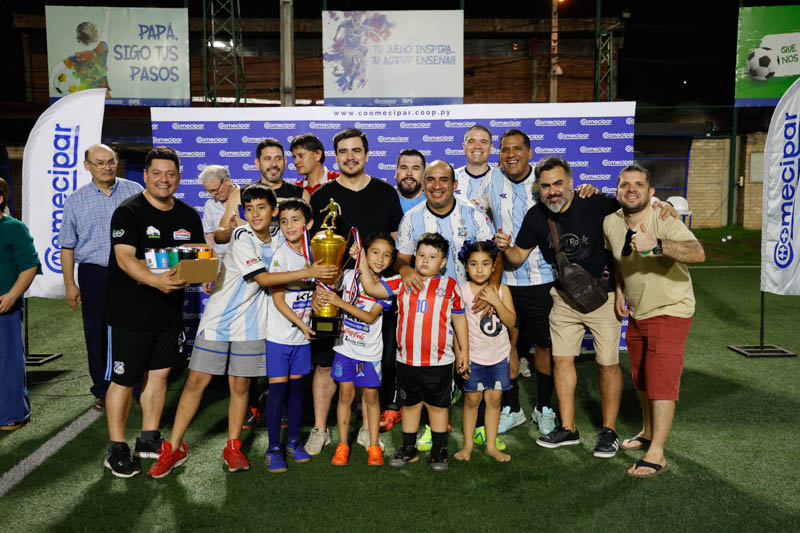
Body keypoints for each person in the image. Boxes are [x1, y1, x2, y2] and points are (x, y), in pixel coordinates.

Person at [146, 185, 337, 478]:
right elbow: (262, 278)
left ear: (274, 211)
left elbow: (294, 213)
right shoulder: (242, 235)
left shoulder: (281, 234)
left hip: (255, 324)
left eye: (262, 208)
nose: (255, 214)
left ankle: (233, 446)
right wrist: (308, 273)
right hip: (221, 319)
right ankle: (174, 447)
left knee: (240, 387)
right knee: (197, 381)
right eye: (249, 209)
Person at [496, 155, 625, 459]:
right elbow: (518, 257)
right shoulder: (536, 216)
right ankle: (568, 428)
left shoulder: (596, 203)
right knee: (562, 361)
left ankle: (609, 432)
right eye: (545, 186)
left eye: (558, 183)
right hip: (564, 301)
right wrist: (505, 248)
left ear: (570, 182)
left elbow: (633, 213)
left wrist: (621, 291)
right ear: (538, 189)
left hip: (603, 298)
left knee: (607, 363)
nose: (552, 191)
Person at [103, 146, 204, 478]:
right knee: (123, 379)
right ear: (145, 176)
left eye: (171, 173)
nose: (164, 179)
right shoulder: (128, 212)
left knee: (160, 374)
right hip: (131, 312)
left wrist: (206, 277)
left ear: (179, 177)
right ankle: (116, 447)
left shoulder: (189, 215)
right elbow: (124, 259)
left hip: (169, 313)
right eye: (157, 173)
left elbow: (199, 258)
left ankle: (148, 438)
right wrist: (155, 282)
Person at [305, 128, 404, 455]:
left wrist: (400, 274)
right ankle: (320, 428)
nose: (350, 156)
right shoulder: (321, 197)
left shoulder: (386, 193)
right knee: (323, 361)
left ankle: (366, 425)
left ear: (366, 153)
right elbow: (314, 250)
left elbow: (396, 244)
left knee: (368, 360)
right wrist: (321, 286)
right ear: (335, 156)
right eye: (344, 151)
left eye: (356, 150)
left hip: (372, 294)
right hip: (330, 293)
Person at [603, 164, 705, 477]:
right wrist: (620, 290)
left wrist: (657, 245)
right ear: (618, 190)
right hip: (638, 311)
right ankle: (647, 431)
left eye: (638, 185)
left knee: (660, 382)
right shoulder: (611, 221)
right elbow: (617, 259)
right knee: (643, 378)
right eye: (625, 184)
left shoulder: (662, 217)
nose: (631, 189)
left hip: (671, 308)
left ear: (651, 192)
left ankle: (657, 454)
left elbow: (697, 252)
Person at [395, 159, 495, 450]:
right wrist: (403, 269)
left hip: (469, 302)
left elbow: (492, 256)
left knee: (469, 364)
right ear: (424, 184)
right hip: (428, 307)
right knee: (430, 367)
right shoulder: (411, 218)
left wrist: (488, 291)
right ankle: (429, 428)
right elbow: (402, 257)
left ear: (454, 184)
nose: (436, 186)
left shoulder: (474, 215)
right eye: (430, 180)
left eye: (443, 180)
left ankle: (477, 424)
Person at [359, 232, 469, 472]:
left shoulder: (449, 286)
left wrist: (464, 352)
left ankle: (439, 451)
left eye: (432, 257)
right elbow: (371, 288)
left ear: (442, 263)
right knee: (409, 406)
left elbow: (459, 321)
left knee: (438, 407)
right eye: (420, 255)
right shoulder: (402, 281)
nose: (424, 261)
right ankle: (408, 448)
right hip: (407, 359)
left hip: (439, 361)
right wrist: (359, 259)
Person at [59, 143, 143, 412]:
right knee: (96, 332)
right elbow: (67, 245)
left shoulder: (135, 190)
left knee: (135, 328)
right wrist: (70, 284)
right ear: (87, 166)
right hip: (94, 272)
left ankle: (136, 385)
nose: (106, 167)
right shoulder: (76, 200)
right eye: (99, 162)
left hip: (132, 270)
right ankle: (102, 389)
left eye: (110, 161)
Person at [316, 233, 397, 467]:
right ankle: (342, 444)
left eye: (386, 255)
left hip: (369, 353)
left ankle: (373, 444)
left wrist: (338, 302)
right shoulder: (351, 275)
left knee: (371, 398)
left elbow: (370, 317)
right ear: (365, 253)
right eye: (374, 252)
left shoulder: (386, 287)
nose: (380, 259)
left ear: (392, 261)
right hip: (345, 349)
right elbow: (329, 285)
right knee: (345, 396)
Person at [263, 198, 319, 473]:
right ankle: (273, 448)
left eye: (295, 220)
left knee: (297, 392)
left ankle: (294, 442)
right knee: (277, 391)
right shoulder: (280, 255)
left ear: (307, 223)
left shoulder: (315, 253)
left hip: (302, 338)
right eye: (283, 221)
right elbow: (279, 300)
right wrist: (303, 325)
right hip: (280, 337)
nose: (289, 226)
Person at [453, 240, 516, 463]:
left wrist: (496, 302)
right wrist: (461, 355)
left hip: (499, 356)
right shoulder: (461, 292)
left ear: (493, 267)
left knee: (495, 399)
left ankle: (491, 445)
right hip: (475, 357)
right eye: (473, 264)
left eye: (485, 264)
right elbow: (456, 328)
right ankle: (468, 445)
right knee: (472, 399)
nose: (479, 269)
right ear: (466, 266)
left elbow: (511, 321)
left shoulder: (502, 289)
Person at [0, 177, 40, 431]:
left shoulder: (14, 228)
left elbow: (30, 265)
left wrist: (13, 295)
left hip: (5, 306)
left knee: (7, 362)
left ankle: (13, 414)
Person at [215, 138, 309, 246]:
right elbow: (218, 236)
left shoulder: (301, 195)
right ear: (257, 163)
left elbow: (310, 234)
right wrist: (230, 231)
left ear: (285, 162)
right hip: (249, 259)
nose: (273, 164)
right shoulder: (239, 195)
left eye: (278, 158)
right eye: (267, 159)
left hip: (289, 261)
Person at [49, 7, 111, 97]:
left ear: (79, 40)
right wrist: (107, 15)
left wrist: (51, 82)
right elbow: (105, 33)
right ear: (96, 38)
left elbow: (57, 68)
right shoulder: (101, 50)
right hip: (103, 97)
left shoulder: (76, 58)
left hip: (83, 97)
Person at [199, 165, 236, 261]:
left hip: (246, 261)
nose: (212, 195)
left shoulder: (247, 198)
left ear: (226, 181)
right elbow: (209, 237)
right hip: (220, 263)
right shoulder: (209, 205)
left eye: (214, 190)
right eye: (209, 192)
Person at [454, 125, 493, 203]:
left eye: (483, 142)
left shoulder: (501, 179)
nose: (477, 146)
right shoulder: (450, 178)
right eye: (471, 141)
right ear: (464, 147)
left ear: (491, 148)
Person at [395, 148, 426, 213]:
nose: (409, 173)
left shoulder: (433, 203)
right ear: (396, 173)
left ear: (424, 174)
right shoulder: (385, 201)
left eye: (415, 168)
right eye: (404, 168)